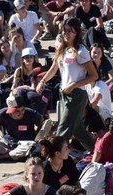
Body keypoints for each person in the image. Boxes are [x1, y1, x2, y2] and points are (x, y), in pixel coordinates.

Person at [38, 17, 97, 150]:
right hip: (64, 94)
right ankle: (97, 152)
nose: (66, 33)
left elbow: (94, 75)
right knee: (77, 129)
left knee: (63, 129)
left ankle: (53, 155)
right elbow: (54, 68)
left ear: (77, 32)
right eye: (64, 30)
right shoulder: (63, 49)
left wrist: (74, 85)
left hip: (77, 94)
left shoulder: (81, 51)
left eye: (70, 31)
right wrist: (43, 81)